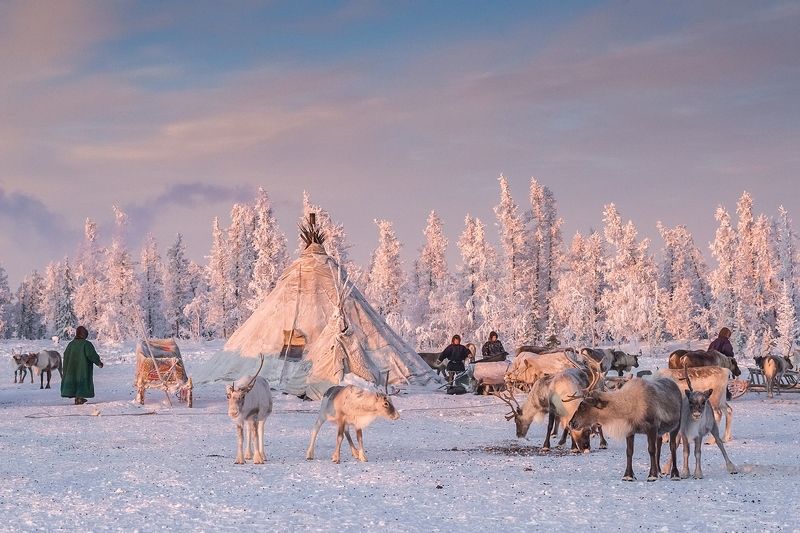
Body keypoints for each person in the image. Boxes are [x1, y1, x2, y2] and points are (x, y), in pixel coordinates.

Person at [61, 326, 104, 405]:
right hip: (83, 369)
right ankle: (79, 398)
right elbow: (92, 355)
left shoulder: (71, 344)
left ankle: (78, 398)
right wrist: (99, 363)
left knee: (74, 382)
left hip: (71, 369)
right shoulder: (86, 344)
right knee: (82, 381)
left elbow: (66, 355)